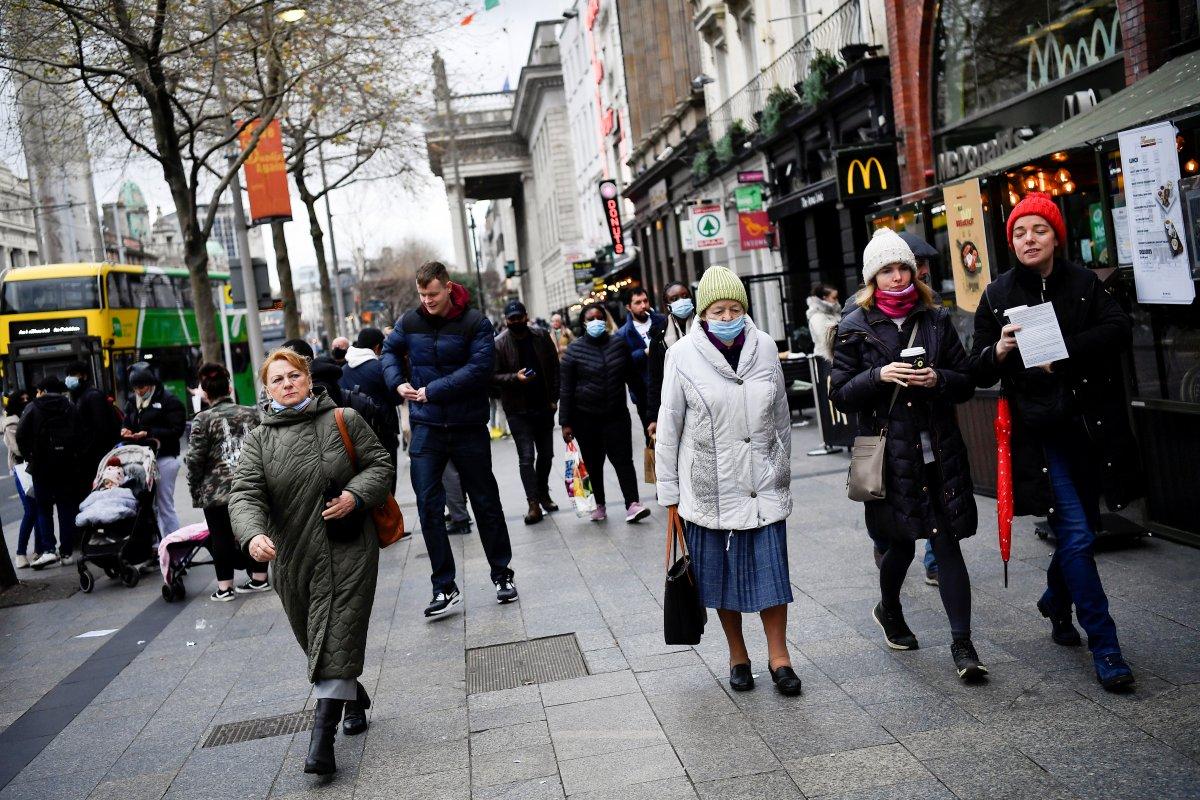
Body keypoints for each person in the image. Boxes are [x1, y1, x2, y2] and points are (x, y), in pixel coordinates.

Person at [970, 193, 1138, 691]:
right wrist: (998, 350)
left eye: (1038, 230)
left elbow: (1119, 331)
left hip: (1087, 427)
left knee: (1078, 529)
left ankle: (1054, 599)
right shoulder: (998, 292)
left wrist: (1063, 356)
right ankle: (1106, 646)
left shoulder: (1084, 283)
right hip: (1037, 434)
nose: (1029, 240)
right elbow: (975, 365)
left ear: (1056, 236)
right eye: (1020, 233)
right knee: (1081, 536)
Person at [829, 228, 985, 681]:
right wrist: (880, 375)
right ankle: (890, 608)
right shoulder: (855, 327)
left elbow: (966, 380)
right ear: (872, 278)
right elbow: (841, 394)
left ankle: (963, 645)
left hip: (937, 452)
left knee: (946, 542)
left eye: (903, 268)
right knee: (898, 544)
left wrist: (937, 379)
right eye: (887, 270)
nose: (898, 277)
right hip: (889, 457)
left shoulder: (935, 319)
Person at [230, 348, 393, 774]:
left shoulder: (343, 419)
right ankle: (352, 695)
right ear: (266, 389)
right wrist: (253, 535)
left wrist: (355, 496)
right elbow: (245, 494)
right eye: (277, 379)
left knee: (337, 630)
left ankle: (321, 744)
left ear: (307, 378)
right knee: (318, 640)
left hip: (349, 546)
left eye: (293, 376)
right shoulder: (258, 440)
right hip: (294, 559)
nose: (287, 384)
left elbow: (380, 465)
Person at [655, 266, 801, 696]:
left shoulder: (766, 348)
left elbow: (781, 418)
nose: (726, 316)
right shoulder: (681, 355)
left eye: (734, 308)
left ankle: (780, 658)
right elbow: (670, 426)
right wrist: (669, 493)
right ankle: (738, 655)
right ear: (702, 314)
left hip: (762, 484)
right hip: (709, 487)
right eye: (717, 309)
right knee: (720, 578)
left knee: (772, 577)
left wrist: (781, 469)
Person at [381, 261, 517, 617]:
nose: (426, 301)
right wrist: (397, 382)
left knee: (485, 502)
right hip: (426, 428)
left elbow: (479, 370)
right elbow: (389, 351)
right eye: (421, 294)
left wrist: (432, 391)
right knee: (428, 507)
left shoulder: (476, 323)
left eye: (432, 294)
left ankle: (502, 574)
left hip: (467, 425)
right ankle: (443, 587)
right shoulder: (410, 321)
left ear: (448, 287)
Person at [185, 363, 269, 602]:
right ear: (229, 387)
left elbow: (194, 460)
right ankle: (259, 578)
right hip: (252, 485)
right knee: (254, 529)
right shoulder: (251, 413)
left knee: (220, 536)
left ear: (206, 393)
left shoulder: (202, 420)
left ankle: (225, 588)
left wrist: (195, 488)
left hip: (217, 491)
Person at [559, 305, 650, 523]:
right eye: (591, 319)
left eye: (600, 317)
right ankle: (598, 505)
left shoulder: (619, 344)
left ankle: (632, 504)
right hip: (585, 418)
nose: (596, 322)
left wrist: (648, 409)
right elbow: (566, 389)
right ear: (583, 323)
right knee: (593, 463)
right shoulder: (573, 351)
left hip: (616, 414)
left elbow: (633, 378)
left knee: (623, 460)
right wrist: (565, 423)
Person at [493, 299, 561, 525]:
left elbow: (554, 368)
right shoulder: (499, 343)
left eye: (519, 317)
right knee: (526, 458)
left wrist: (554, 398)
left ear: (526, 316)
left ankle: (543, 492)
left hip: (543, 406)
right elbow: (492, 377)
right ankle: (533, 503)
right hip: (517, 411)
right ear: (506, 320)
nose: (515, 322)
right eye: (511, 319)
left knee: (547, 455)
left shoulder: (541, 336)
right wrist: (516, 378)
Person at [16, 377, 82, 569]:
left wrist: (30, 455)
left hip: (41, 466)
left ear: (43, 390)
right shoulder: (70, 406)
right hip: (66, 465)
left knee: (43, 508)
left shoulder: (33, 407)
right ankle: (67, 552)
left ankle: (48, 550)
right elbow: (80, 432)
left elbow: (21, 434)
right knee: (65, 508)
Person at [122, 362, 186, 538]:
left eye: (142, 386)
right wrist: (125, 430)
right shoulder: (131, 401)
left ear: (151, 383)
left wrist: (149, 433)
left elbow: (176, 430)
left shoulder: (168, 400)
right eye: (135, 387)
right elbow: (127, 421)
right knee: (148, 506)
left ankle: (174, 547)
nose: (139, 391)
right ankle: (155, 546)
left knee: (164, 505)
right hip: (141, 459)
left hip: (164, 457)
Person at [340, 327, 401, 482]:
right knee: (387, 480)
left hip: (353, 435)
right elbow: (396, 398)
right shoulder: (380, 368)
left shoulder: (343, 371)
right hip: (383, 433)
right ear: (377, 347)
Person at [616, 288, 666, 442]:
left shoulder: (663, 321)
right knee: (653, 436)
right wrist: (644, 352)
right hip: (644, 392)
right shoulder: (623, 334)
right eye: (637, 302)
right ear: (628, 307)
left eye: (645, 301)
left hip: (668, 382)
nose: (643, 305)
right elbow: (623, 362)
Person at [646, 281, 695, 437]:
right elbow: (655, 380)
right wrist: (653, 417)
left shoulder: (707, 326)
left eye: (685, 296)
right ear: (667, 305)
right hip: (676, 404)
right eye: (674, 299)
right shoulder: (659, 337)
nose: (681, 301)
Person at [65, 361, 121, 495]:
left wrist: (85, 451)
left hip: (96, 457)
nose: (69, 379)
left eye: (73, 374)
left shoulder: (92, 396)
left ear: (84, 376)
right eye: (68, 375)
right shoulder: (81, 396)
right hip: (90, 457)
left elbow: (100, 429)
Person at [5, 389, 45, 568]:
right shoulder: (11, 424)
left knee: (38, 510)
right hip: (22, 470)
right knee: (31, 510)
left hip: (34, 467)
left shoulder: (30, 416)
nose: (26, 401)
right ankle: (20, 553)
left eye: (27, 398)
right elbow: (17, 449)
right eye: (22, 400)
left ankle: (39, 550)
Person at [806, 283, 841, 363]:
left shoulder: (834, 312)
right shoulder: (817, 316)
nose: (836, 301)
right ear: (824, 298)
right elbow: (825, 339)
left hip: (835, 357)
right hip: (825, 359)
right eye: (834, 298)